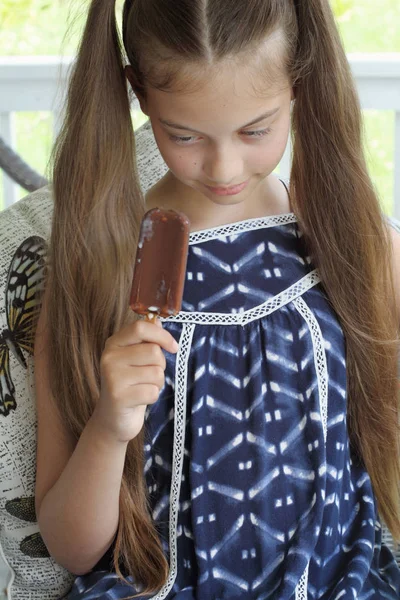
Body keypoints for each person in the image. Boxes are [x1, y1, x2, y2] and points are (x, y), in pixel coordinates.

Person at [33, 0, 400, 598]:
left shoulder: (358, 249)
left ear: (299, 80)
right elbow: (74, 549)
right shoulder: (94, 274)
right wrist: (109, 426)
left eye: (256, 130)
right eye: (185, 135)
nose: (224, 166)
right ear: (139, 94)